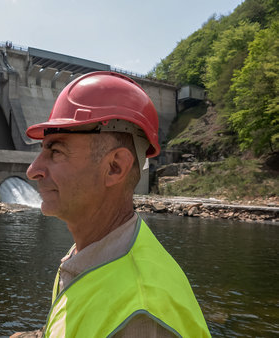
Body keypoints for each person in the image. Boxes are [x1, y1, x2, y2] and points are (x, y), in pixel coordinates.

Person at [23, 71, 211, 337]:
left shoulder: (141, 318)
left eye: (55, 152)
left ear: (114, 167)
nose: (33, 170)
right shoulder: (88, 254)